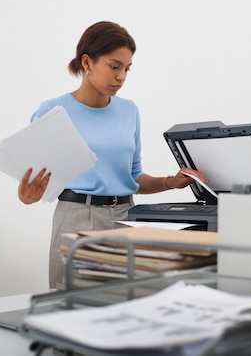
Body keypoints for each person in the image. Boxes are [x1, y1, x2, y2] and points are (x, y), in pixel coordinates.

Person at [17, 21, 208, 289]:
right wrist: (27, 196)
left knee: (125, 303)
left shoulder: (129, 111)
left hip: (126, 216)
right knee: (69, 305)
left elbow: (133, 176)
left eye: (127, 69)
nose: (121, 77)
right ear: (87, 63)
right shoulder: (53, 110)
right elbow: (31, 184)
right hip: (77, 217)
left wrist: (169, 182)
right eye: (114, 66)